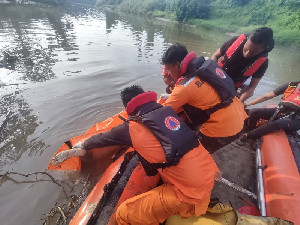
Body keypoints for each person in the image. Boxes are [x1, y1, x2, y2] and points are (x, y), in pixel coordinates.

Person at [52, 85, 219, 225]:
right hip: (209, 172)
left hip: (190, 194)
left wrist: (81, 146)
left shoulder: (130, 128)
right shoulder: (168, 112)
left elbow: (102, 138)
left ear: (128, 108)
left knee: (124, 213)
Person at [162, 43, 248, 153]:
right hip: (239, 118)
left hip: (224, 131)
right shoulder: (205, 65)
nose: (168, 73)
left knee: (189, 153)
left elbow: (163, 112)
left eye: (168, 69)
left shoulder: (184, 87)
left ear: (178, 65)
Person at [211, 27, 274, 102]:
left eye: (253, 52)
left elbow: (252, 86)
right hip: (216, 76)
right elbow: (215, 56)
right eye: (246, 48)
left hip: (232, 86)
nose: (247, 53)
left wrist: (238, 102)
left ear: (264, 49)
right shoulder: (235, 41)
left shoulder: (263, 62)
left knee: (247, 93)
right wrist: (211, 73)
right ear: (247, 40)